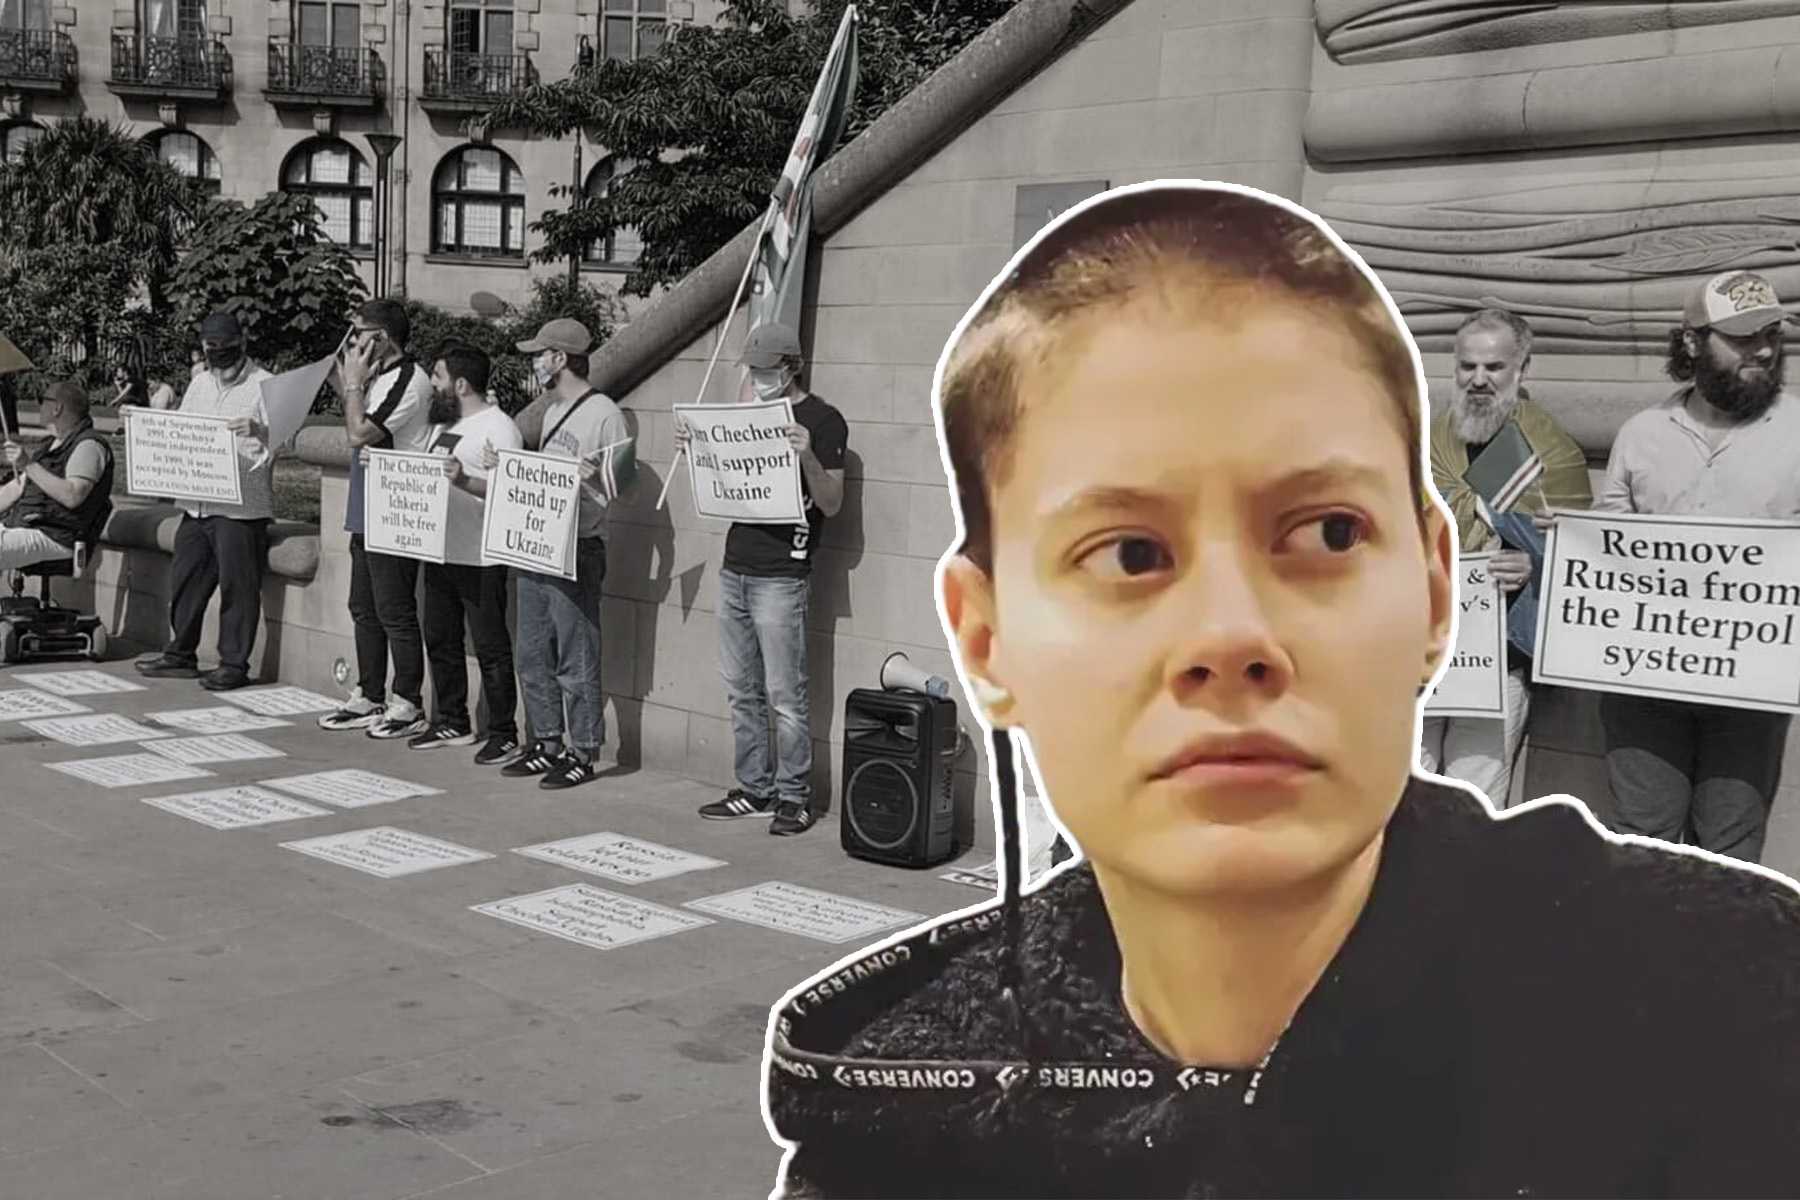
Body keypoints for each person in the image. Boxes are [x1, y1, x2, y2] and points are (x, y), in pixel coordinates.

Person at [762, 184, 1800, 1199]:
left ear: (1435, 594)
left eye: (1328, 533)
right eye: (1127, 552)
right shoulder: (888, 1129)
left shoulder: (1741, 1013)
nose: (1230, 638)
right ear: (986, 641)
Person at [1591, 270, 1800, 863]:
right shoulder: (1642, 434)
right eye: (1741, 338)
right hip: (1643, 677)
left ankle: (1716, 957)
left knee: (1730, 849)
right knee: (1642, 838)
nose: (1762, 349)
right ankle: (1642, 955)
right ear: (1691, 342)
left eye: (1770, 335)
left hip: (1751, 685)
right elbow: (1608, 544)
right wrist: (1575, 541)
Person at [680, 322, 848, 836]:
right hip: (737, 566)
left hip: (782, 573)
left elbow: (832, 503)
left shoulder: (825, 420)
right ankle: (755, 787)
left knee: (785, 693)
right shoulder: (749, 412)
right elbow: (726, 480)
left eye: (765, 371)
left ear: (790, 369)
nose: (757, 379)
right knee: (741, 688)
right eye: (753, 371)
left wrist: (807, 454)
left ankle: (793, 795)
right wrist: (698, 446)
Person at [1422, 309, 1590, 807]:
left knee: (1471, 800)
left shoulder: (1550, 451)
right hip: (1418, 648)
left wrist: (1535, 567)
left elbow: (1584, 559)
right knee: (1403, 785)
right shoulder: (1423, 441)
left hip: (1497, 659)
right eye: (1467, 366)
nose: (1478, 380)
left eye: (1493, 367)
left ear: (1522, 368)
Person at [491, 318, 636, 789]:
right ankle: (547, 739)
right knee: (532, 650)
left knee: (576, 653)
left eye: (541, 353)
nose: (536, 362)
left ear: (560, 358)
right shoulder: (552, 412)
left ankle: (583, 749)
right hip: (540, 542)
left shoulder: (605, 414)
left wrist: (592, 475)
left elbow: (622, 484)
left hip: (579, 544)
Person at [136, 311, 277, 691]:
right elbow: (182, 431)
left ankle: (233, 663)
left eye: (225, 348)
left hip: (240, 507)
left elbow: (290, 439)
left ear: (242, 343)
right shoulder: (199, 383)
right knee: (186, 579)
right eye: (211, 349)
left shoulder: (266, 385)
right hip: (197, 502)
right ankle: (180, 654)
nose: (219, 356)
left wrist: (261, 429)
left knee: (237, 586)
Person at [316, 299, 437, 740]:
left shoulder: (410, 379)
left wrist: (351, 386)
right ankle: (369, 692)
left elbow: (359, 431)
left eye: (359, 332)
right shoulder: (379, 377)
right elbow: (357, 415)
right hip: (367, 506)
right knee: (363, 607)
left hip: (397, 510)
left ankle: (408, 700)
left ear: (382, 337)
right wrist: (340, 378)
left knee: (395, 610)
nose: (353, 340)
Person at [415, 344, 524, 764]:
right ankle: (452, 718)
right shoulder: (444, 426)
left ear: (460, 384)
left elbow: (510, 490)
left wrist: (464, 482)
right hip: (441, 549)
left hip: (481, 555)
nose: (433, 385)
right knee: (440, 637)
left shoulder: (500, 428)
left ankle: (503, 731)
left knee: (490, 645)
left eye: (438, 377)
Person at [0, 380, 113, 571]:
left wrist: (28, 464)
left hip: (55, 535)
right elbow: (16, 489)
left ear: (57, 408)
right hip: (25, 526)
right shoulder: (50, 446)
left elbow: (73, 496)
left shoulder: (89, 446)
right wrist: (29, 467)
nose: (39, 406)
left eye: (42, 400)